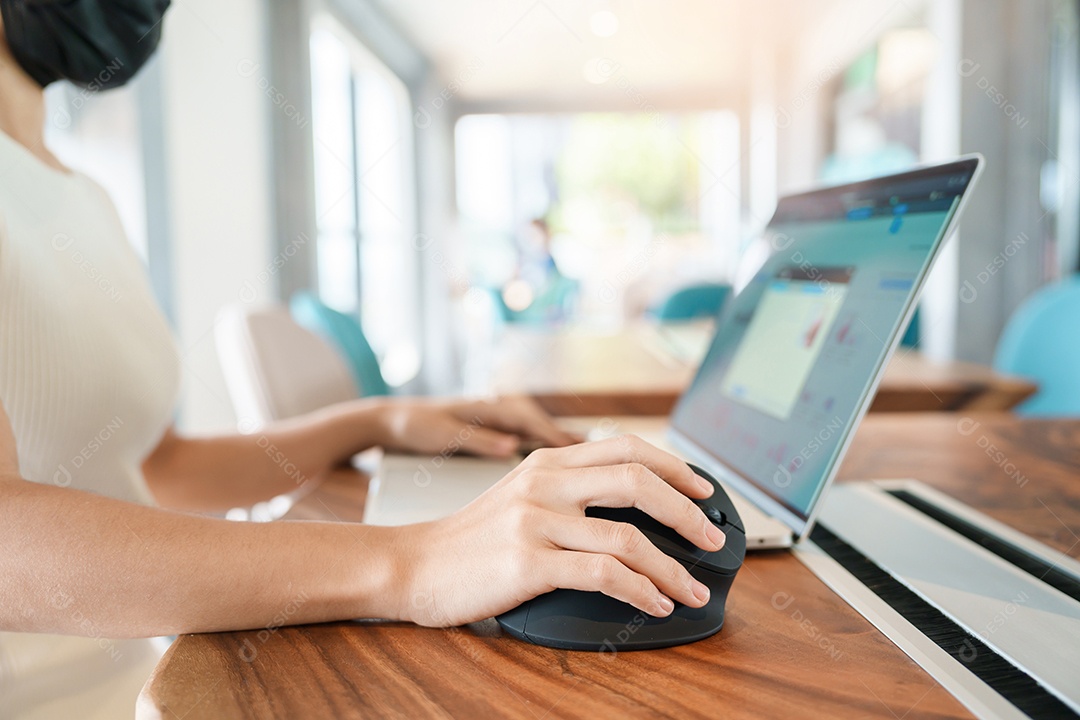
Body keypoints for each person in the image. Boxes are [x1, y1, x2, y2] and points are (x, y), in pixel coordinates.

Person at [0, 1, 723, 716]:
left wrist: (380, 419)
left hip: (148, 682)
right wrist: (414, 561)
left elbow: (159, 469)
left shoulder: (84, 195)